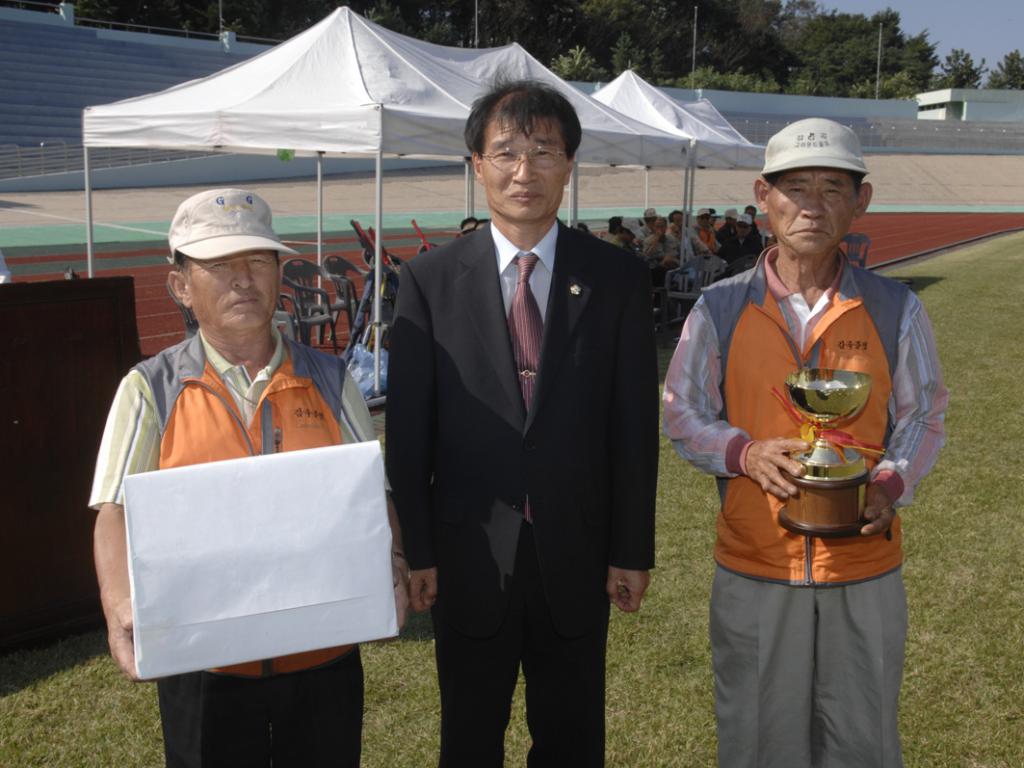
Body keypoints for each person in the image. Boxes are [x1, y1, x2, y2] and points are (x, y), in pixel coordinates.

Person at [385, 79, 659, 767]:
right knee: (470, 736)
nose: (524, 171)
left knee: (571, 737)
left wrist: (632, 548)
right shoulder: (426, 283)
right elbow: (410, 435)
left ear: (569, 164)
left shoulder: (618, 279)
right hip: (468, 557)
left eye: (544, 151)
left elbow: (632, 431)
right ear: (476, 165)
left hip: (577, 552)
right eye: (505, 152)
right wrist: (417, 550)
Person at [89, 188, 409, 768]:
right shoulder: (150, 389)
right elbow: (113, 511)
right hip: (206, 666)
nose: (242, 280)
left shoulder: (333, 379)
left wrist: (391, 564)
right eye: (218, 265)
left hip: (322, 658)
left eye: (258, 261)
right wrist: (118, 606)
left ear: (279, 272)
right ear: (179, 285)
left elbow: (371, 495)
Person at [663, 118, 947, 768]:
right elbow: (681, 414)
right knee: (758, 745)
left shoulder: (896, 307)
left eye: (832, 188)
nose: (812, 205)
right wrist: (745, 453)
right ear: (763, 196)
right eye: (795, 188)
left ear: (861, 201)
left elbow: (925, 413)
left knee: (863, 743)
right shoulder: (719, 307)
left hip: (863, 570)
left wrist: (891, 482)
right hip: (756, 567)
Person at [642, 214, 680, 285]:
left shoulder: (672, 239)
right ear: (653, 227)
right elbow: (646, 257)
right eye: (657, 227)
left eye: (662, 226)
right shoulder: (647, 241)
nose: (659, 229)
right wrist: (656, 239)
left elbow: (678, 253)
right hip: (656, 269)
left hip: (673, 266)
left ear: (666, 227)